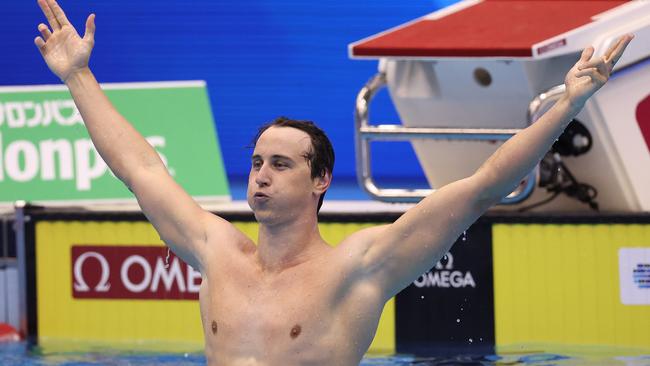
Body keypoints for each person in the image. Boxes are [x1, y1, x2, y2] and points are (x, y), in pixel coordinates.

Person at [34, 0, 633, 364]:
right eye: (257, 162)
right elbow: (141, 170)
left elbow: (482, 186)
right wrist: (78, 77)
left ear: (322, 181)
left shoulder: (359, 267)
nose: (261, 176)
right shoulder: (218, 252)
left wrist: (567, 104)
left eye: (281, 164)